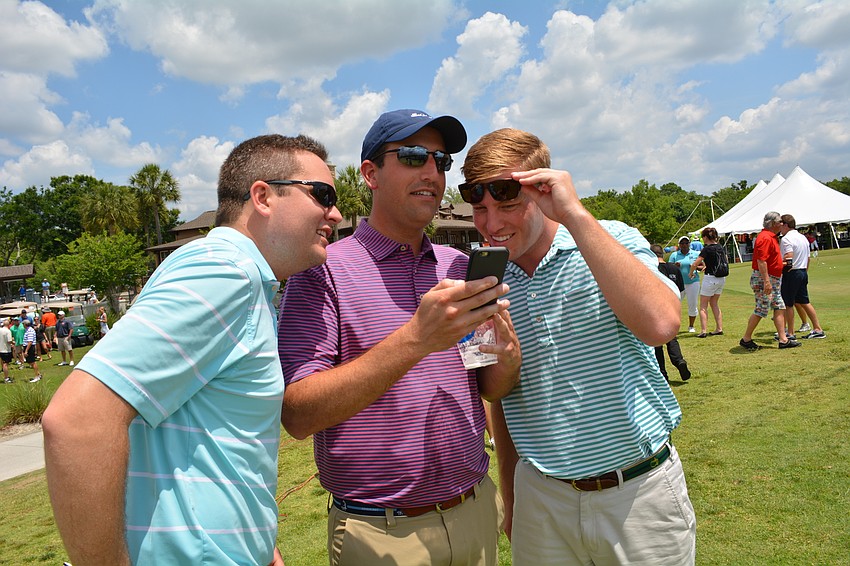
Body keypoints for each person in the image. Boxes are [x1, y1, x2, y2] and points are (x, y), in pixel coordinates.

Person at [42, 133, 342, 566]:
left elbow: (201, 426)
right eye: (322, 194)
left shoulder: (233, 275)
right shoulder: (225, 273)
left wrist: (254, 541)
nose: (334, 212)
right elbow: (77, 419)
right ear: (262, 197)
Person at [278, 110, 520, 566]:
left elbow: (489, 385)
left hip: (475, 511)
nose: (431, 171)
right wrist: (414, 338)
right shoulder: (321, 271)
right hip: (381, 532)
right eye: (411, 157)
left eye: (441, 160)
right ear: (370, 173)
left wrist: (505, 356)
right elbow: (297, 412)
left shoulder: (457, 266)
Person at [461, 128, 694, 565]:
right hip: (541, 498)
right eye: (480, 209)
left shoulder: (609, 238)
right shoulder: (484, 280)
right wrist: (511, 496)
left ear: (544, 190)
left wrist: (575, 215)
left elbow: (662, 324)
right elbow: (501, 399)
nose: (492, 225)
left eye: (507, 204)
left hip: (636, 494)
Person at [739, 212, 801, 350]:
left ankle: (783, 340)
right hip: (765, 279)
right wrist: (766, 281)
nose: (782, 223)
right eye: (780, 221)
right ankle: (746, 339)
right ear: (773, 223)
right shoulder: (765, 238)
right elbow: (761, 261)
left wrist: (780, 264)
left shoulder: (770, 237)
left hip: (772, 278)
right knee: (761, 309)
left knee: (779, 306)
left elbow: (768, 260)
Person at [779, 214, 826, 340]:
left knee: (788, 303)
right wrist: (804, 271)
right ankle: (817, 328)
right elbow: (808, 258)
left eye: (780, 224)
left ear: (785, 225)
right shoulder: (802, 237)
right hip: (802, 271)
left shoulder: (786, 239)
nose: (779, 227)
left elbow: (788, 257)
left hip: (792, 272)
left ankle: (790, 333)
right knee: (804, 301)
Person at [650, 244, 692, 382]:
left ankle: (662, 373)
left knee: (656, 342)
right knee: (671, 338)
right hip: (672, 306)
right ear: (662, 253)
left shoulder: (651, 269)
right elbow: (681, 289)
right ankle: (679, 361)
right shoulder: (674, 268)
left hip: (655, 308)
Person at [689, 227, 728, 337]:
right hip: (721, 278)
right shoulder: (720, 247)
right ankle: (719, 328)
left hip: (710, 278)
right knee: (714, 303)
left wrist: (691, 273)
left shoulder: (707, 249)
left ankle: (703, 331)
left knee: (703, 306)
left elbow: (695, 263)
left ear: (705, 237)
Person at [669, 235, 701, 332]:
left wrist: (695, 267)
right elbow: (669, 268)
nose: (684, 245)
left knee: (692, 304)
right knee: (674, 304)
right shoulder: (674, 255)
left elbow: (703, 267)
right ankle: (673, 325)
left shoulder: (695, 253)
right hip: (678, 283)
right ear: (679, 245)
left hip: (693, 282)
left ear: (689, 244)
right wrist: (675, 266)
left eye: (686, 243)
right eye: (682, 243)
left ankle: (691, 326)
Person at [1, 318, 13, 383]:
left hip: (0, 349)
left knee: (3, 363)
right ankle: (6, 378)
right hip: (5, 350)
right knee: (5, 364)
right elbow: (9, 341)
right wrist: (13, 343)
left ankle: (6, 377)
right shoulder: (8, 331)